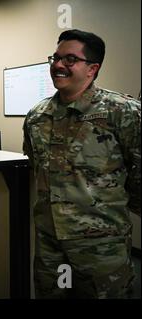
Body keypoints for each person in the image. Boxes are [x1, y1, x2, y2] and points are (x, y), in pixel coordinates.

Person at [23, 29, 141, 298]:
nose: (58, 65)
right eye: (55, 58)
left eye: (69, 59)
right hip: (50, 244)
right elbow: (37, 165)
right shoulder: (37, 116)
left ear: (92, 68)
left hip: (101, 246)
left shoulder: (122, 112)